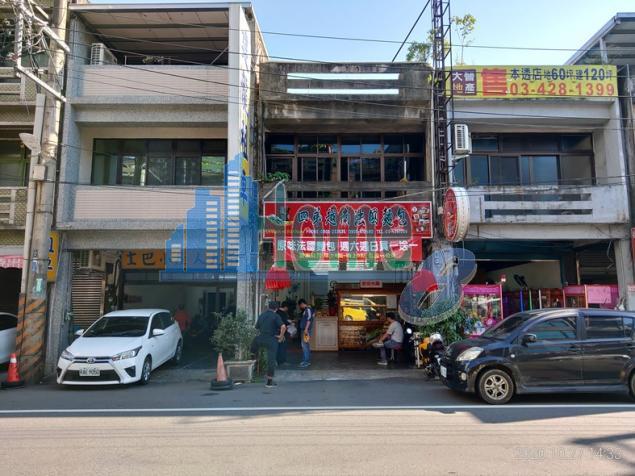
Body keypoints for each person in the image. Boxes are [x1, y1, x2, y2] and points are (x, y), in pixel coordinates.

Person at [252, 301, 286, 388]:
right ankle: (269, 382)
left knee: (253, 351)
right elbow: (283, 326)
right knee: (271, 359)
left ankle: (254, 367)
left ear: (268, 307)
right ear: (276, 309)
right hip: (271, 339)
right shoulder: (276, 316)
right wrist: (281, 336)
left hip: (260, 338)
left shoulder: (262, 315)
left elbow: (256, 327)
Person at [298, 298, 314, 368]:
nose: (300, 307)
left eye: (300, 305)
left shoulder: (308, 309)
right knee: (305, 345)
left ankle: (306, 361)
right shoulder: (307, 309)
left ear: (302, 304)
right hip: (304, 330)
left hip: (306, 330)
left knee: (305, 345)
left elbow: (309, 319)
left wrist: (306, 329)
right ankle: (305, 360)